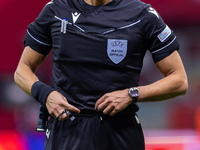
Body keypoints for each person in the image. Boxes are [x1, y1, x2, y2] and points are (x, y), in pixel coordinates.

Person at [14, 0, 188, 149]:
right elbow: (22, 70)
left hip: (120, 133)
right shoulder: (56, 10)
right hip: (66, 131)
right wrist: (46, 95)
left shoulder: (143, 15)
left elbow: (179, 81)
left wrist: (132, 94)